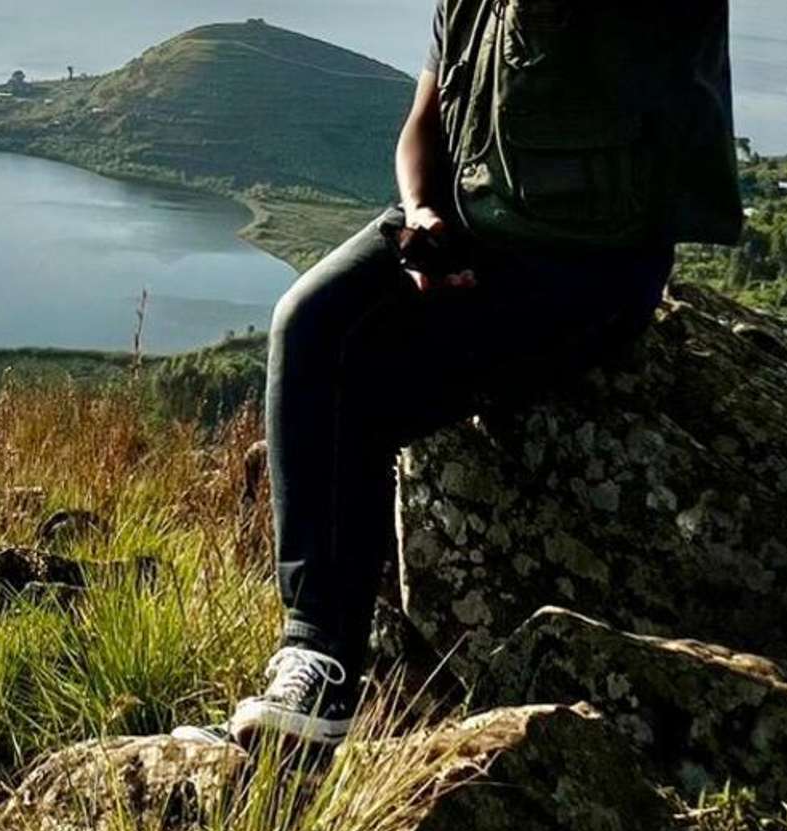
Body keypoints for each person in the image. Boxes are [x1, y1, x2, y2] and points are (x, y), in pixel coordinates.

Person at [177, 0, 742, 752]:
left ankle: (343, 664)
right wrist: (423, 212)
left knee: (366, 393)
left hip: (587, 268)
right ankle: (318, 656)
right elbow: (427, 118)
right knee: (306, 323)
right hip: (469, 233)